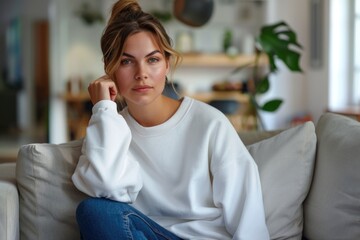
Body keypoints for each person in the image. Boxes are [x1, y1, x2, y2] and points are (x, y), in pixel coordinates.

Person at [72, 0, 270, 239]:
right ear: (110, 69)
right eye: (126, 61)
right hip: (145, 234)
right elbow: (106, 188)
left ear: (167, 64)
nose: (141, 73)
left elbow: (247, 213)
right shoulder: (109, 128)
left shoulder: (210, 124)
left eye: (152, 59)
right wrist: (104, 109)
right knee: (94, 211)